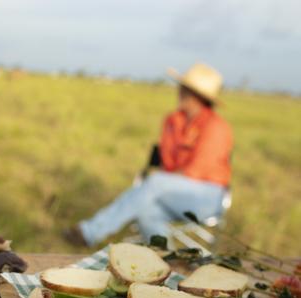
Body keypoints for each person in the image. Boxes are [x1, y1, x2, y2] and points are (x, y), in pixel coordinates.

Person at [64, 63, 233, 247]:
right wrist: (160, 180)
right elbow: (166, 162)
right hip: (171, 190)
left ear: (200, 97)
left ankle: (90, 232)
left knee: (154, 183)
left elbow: (196, 170)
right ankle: (169, 260)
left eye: (187, 89)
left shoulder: (217, 127)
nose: (180, 91)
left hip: (206, 197)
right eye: (182, 87)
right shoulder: (172, 120)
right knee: (145, 208)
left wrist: (159, 182)